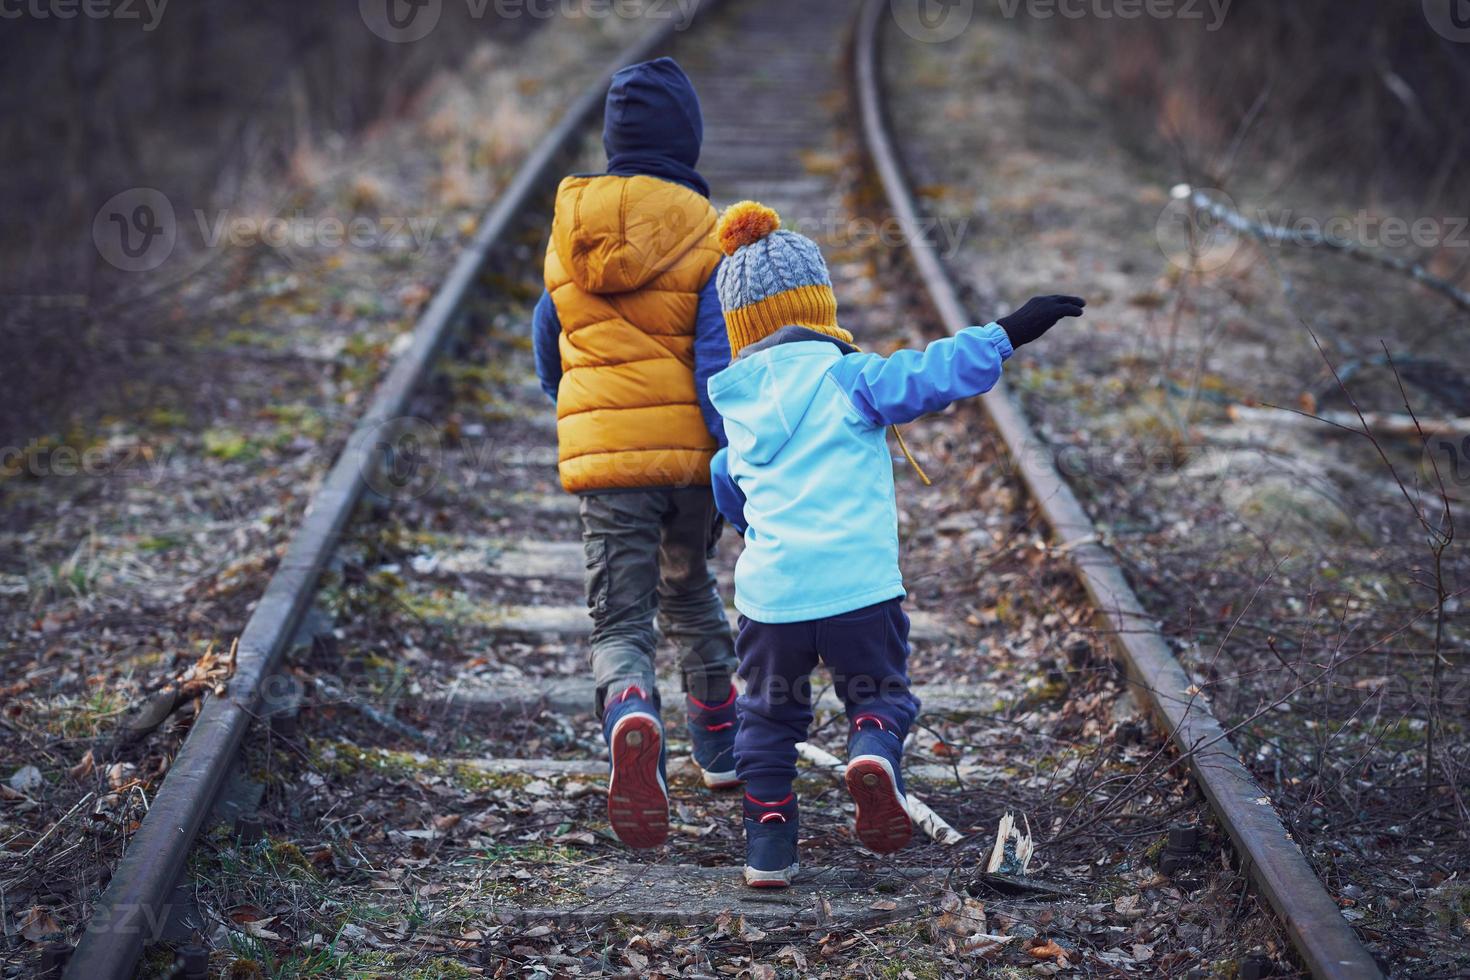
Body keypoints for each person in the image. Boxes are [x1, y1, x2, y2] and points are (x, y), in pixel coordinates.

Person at [706, 201, 1084, 886]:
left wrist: (756, 535)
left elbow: (724, 484)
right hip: (857, 590)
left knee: (766, 719)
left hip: (772, 600)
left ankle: (768, 847)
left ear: (740, 329)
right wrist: (1010, 331)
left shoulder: (737, 405)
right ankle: (873, 749)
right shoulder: (848, 378)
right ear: (819, 306)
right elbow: (930, 374)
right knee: (879, 691)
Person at [531, 58, 740, 850]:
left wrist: (577, 403)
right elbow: (719, 361)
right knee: (690, 596)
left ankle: (631, 711)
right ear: (687, 142)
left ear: (613, 141)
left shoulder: (569, 230)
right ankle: (719, 747)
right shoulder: (710, 233)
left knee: (620, 617)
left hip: (610, 469)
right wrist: (732, 458)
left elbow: (549, 344)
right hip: (688, 466)